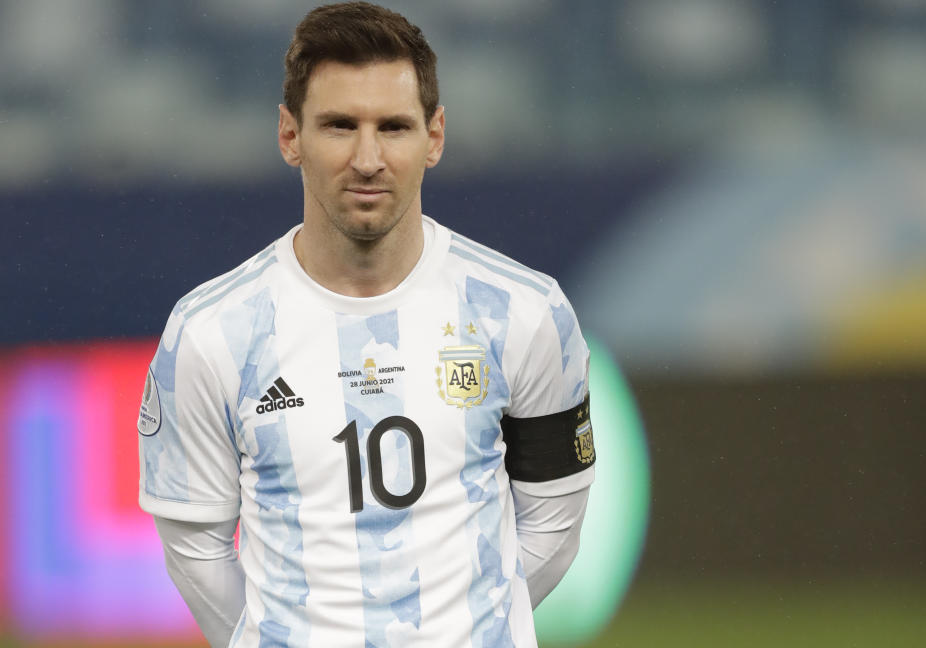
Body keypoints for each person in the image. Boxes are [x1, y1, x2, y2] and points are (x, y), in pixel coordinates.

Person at [137, 3, 595, 646]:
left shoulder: (524, 312)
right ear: (289, 135)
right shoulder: (213, 332)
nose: (368, 158)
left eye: (394, 127)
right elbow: (196, 550)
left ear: (434, 136)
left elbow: (554, 521)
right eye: (339, 125)